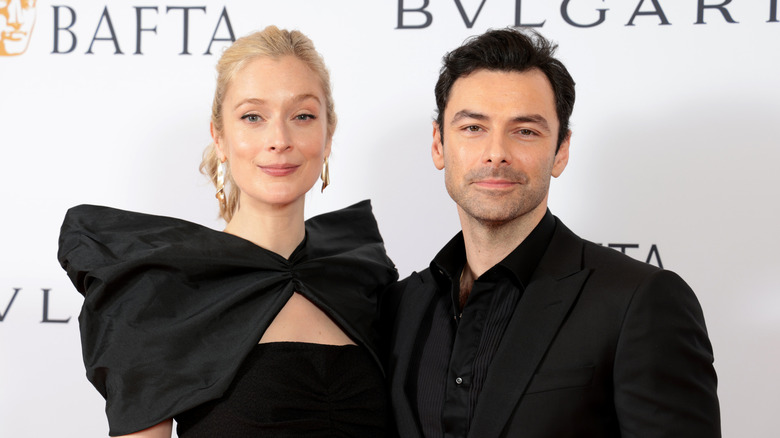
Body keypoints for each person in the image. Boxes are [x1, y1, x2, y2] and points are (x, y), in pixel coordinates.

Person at [58, 26, 397, 437]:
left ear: (328, 136)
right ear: (220, 136)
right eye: (253, 117)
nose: (279, 139)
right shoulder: (161, 290)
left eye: (303, 116)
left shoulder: (366, 281)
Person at [383, 28, 720, 437]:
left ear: (560, 151)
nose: (496, 153)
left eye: (525, 130)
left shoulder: (637, 301)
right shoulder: (399, 307)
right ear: (439, 144)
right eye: (473, 128)